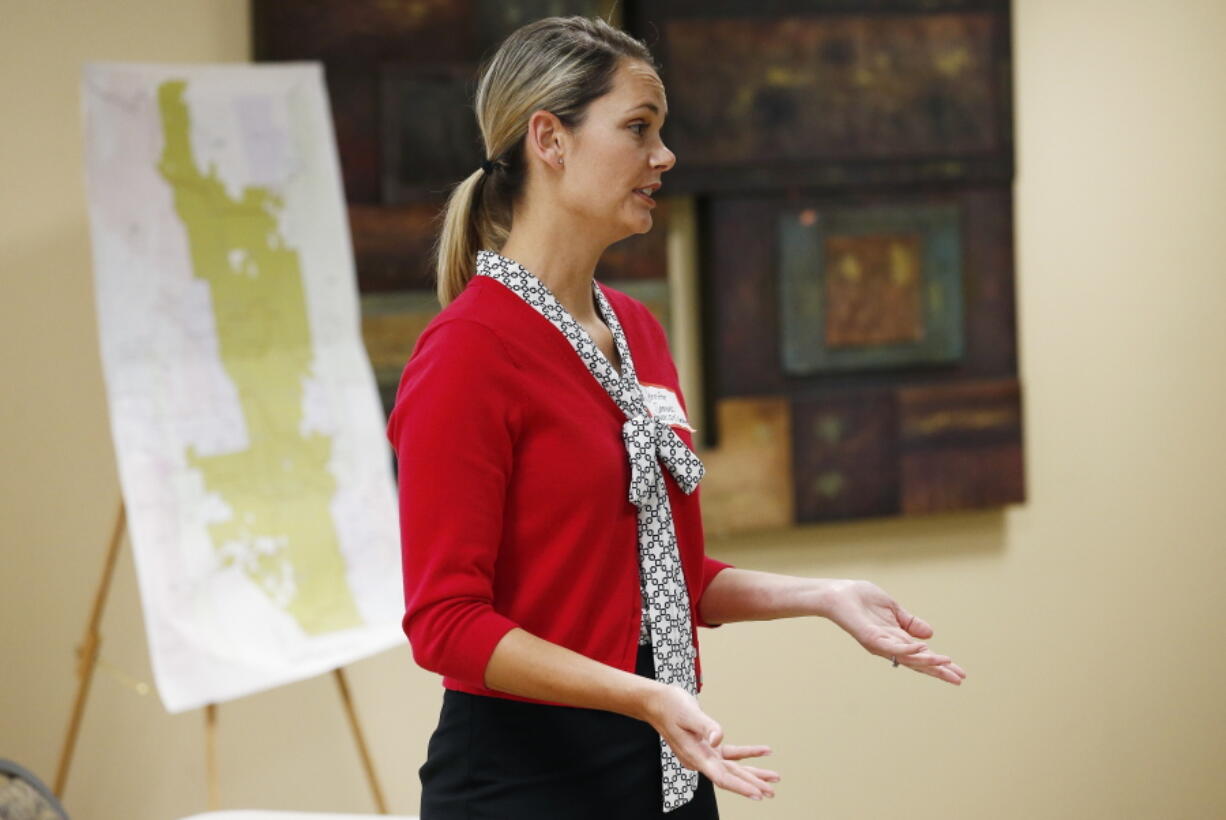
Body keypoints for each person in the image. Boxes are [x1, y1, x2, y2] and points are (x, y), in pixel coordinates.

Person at [385, 15, 967, 819]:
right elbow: (445, 624)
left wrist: (824, 595)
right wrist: (641, 695)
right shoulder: (467, 353)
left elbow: (660, 580)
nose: (664, 157)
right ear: (548, 140)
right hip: (524, 785)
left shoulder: (638, 330)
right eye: (638, 129)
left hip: (668, 764)